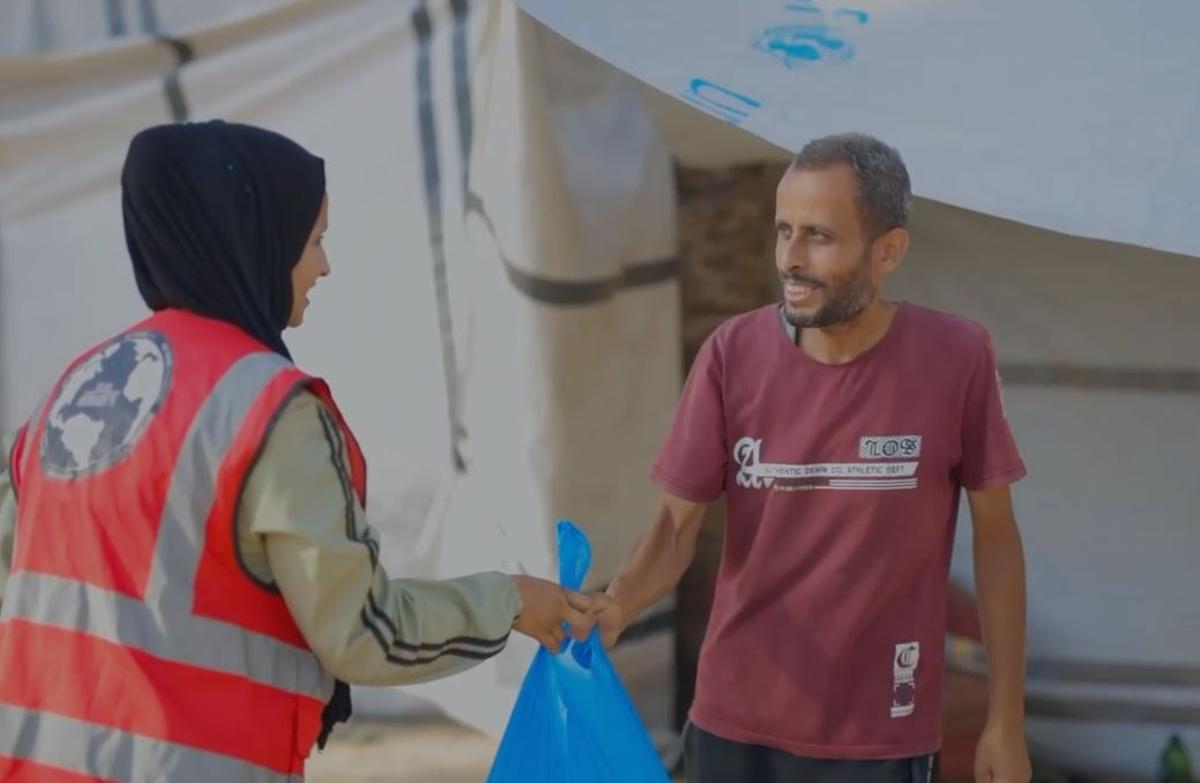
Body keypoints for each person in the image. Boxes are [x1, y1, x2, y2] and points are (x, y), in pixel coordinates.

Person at [0, 121, 593, 782]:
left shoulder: (65, 398)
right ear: (250, 238)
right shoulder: (268, 410)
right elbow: (364, 631)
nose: (324, 265)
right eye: (313, 238)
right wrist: (509, 600)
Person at [592, 133, 1031, 783]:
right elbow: (676, 526)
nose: (791, 259)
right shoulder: (730, 355)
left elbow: (996, 539)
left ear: (888, 251)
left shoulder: (957, 357)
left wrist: (1006, 719)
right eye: (784, 231)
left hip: (883, 734)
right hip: (734, 725)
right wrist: (617, 605)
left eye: (819, 236)